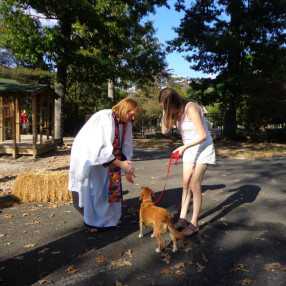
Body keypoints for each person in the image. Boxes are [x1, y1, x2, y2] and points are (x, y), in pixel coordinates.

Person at [68, 98, 141, 233]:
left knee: (110, 187)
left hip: (112, 159)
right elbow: (99, 148)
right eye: (132, 113)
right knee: (96, 189)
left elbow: (126, 145)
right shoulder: (105, 117)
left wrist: (127, 167)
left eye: (135, 115)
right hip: (93, 159)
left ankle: (110, 219)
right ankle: (92, 221)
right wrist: (121, 164)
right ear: (124, 109)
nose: (133, 117)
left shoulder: (126, 123)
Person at [158, 88, 216, 236]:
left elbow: (203, 135)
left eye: (166, 106)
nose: (165, 109)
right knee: (185, 185)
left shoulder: (191, 108)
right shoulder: (174, 112)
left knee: (194, 184)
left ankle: (194, 224)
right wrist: (164, 111)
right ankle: (182, 219)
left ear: (174, 103)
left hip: (203, 147)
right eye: (162, 107)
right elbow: (164, 131)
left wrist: (184, 147)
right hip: (189, 149)